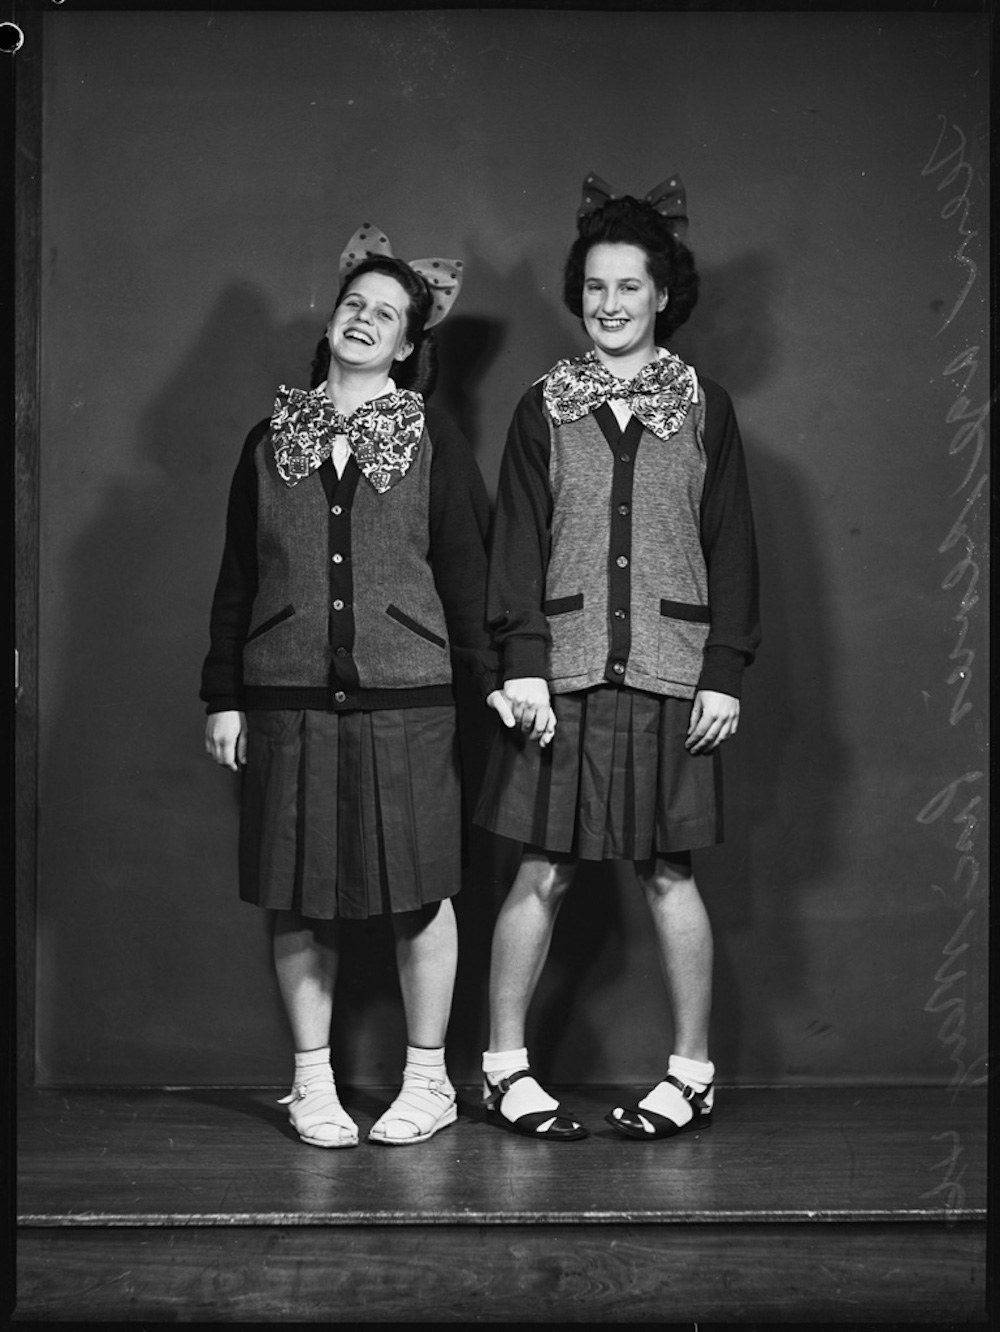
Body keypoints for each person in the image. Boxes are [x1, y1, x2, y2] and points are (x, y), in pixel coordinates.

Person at [475, 174, 761, 1141]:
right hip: (561, 672)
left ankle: (692, 1073)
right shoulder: (542, 408)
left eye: (629, 287)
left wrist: (722, 667)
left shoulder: (706, 407)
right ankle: (503, 1069)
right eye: (595, 287)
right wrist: (520, 659)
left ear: (663, 294)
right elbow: (515, 540)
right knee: (541, 868)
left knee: (669, 872)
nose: (609, 305)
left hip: (672, 674)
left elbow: (732, 545)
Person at [201, 227, 493, 1148]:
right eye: (354, 304)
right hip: (284, 694)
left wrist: (491, 686)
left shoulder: (431, 436)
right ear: (331, 320)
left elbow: (469, 573)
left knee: (420, 892)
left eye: (388, 315)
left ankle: (426, 1081)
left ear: (409, 345)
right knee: (298, 891)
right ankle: (312, 1084)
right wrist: (225, 694)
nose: (364, 321)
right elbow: (237, 577)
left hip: (409, 695)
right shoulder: (267, 438)